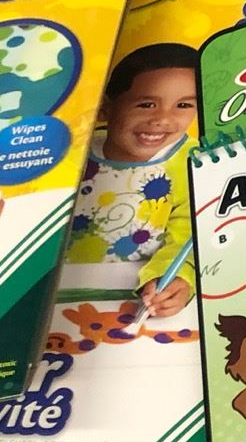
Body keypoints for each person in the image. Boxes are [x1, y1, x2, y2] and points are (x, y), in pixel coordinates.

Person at [64, 44, 199, 322]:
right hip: (59, 291)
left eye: (184, 105)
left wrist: (176, 279)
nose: (162, 120)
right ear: (106, 108)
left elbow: (189, 237)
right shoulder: (73, 152)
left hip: (135, 299)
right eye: (146, 104)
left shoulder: (192, 161)